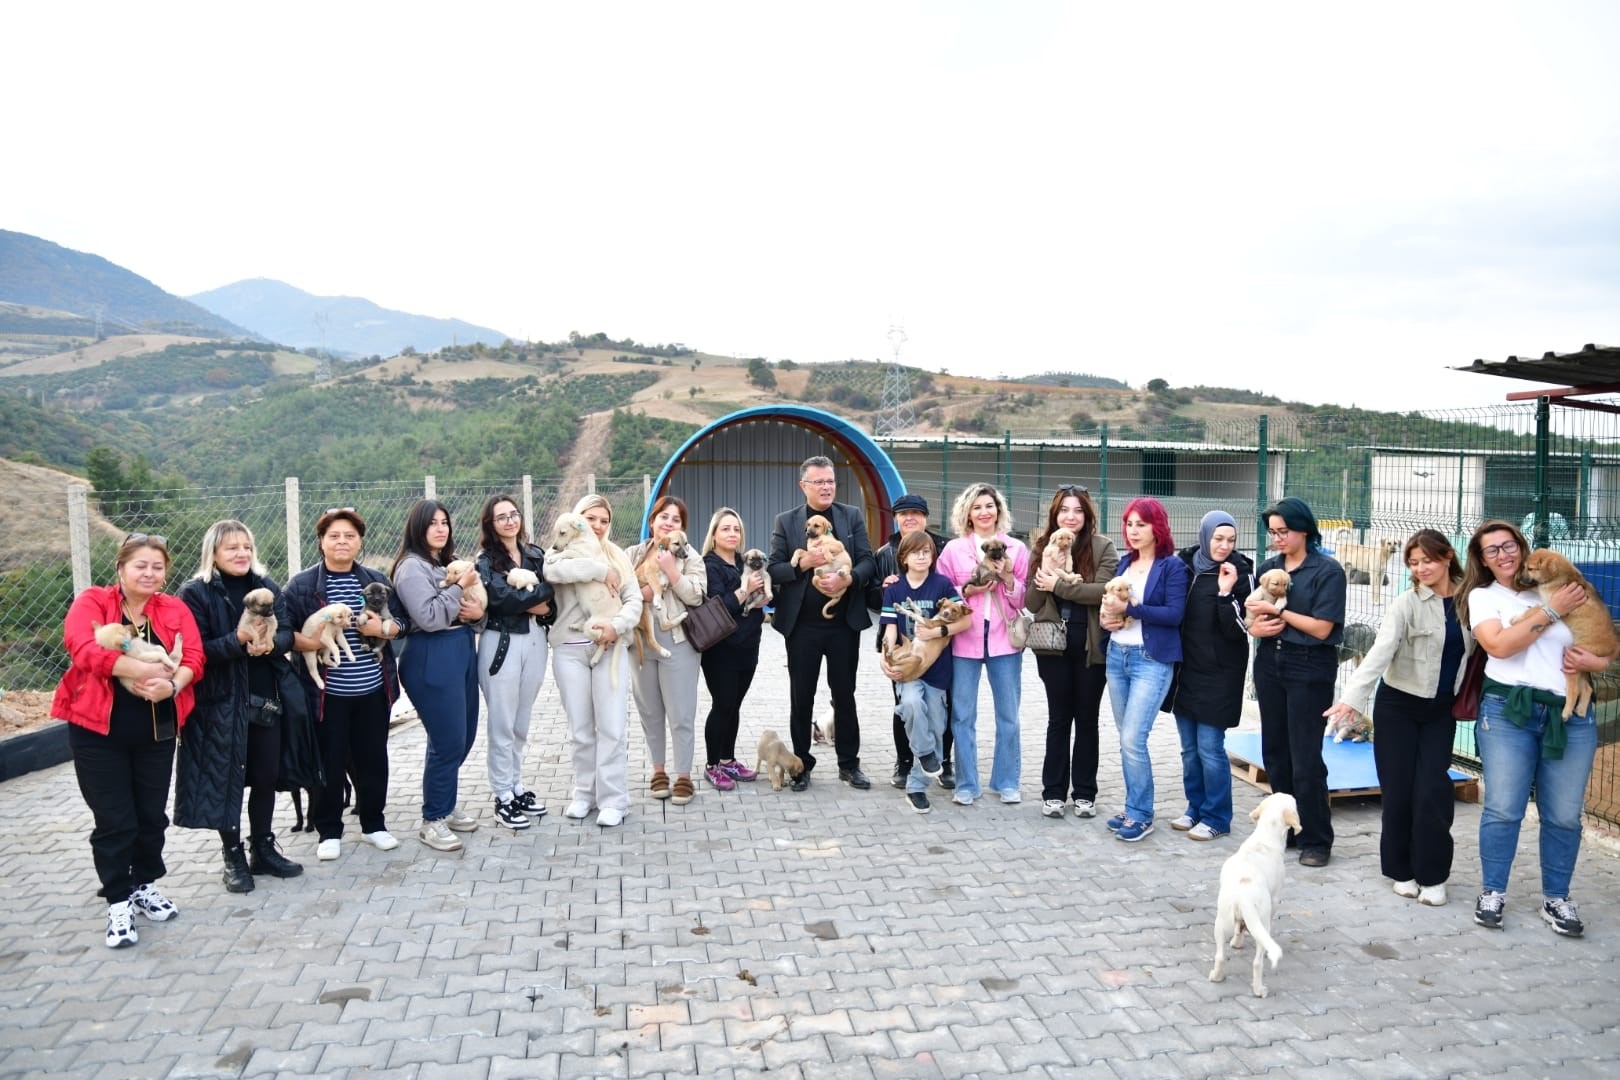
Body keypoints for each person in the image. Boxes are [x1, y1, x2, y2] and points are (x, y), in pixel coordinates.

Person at [52, 532, 203, 948]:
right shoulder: (92, 602)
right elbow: (83, 649)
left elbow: (194, 657)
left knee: (151, 816)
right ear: (120, 568)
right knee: (115, 819)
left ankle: (144, 884)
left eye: (157, 567)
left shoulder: (173, 609)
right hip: (97, 731)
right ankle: (118, 899)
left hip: (156, 730)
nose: (149, 573)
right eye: (140, 566)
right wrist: (142, 671)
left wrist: (172, 687)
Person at [1458, 519, 1607, 936]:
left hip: (1570, 713)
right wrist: (1553, 609)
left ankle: (1557, 898)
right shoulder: (1484, 597)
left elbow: (1600, 640)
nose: (1503, 555)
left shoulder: (1564, 586)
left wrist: (1595, 662)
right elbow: (1500, 646)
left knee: (1564, 815)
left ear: (1522, 548)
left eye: (1509, 546)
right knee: (1504, 808)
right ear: (1483, 560)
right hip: (1509, 711)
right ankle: (1493, 891)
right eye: (1492, 550)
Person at [1325, 529, 1470, 905]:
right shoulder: (1406, 603)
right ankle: (1401, 870)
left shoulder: (1470, 600)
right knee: (1399, 790)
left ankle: (1433, 875)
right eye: (1414, 563)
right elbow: (1380, 652)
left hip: (1441, 710)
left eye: (1428, 560)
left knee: (1433, 791)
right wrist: (1353, 698)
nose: (1421, 569)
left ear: (1448, 557)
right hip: (1398, 707)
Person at [176, 519, 306, 893]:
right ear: (213, 553)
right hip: (219, 703)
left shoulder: (265, 585)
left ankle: (262, 848)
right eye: (232, 547)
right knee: (227, 780)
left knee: (265, 776)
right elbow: (195, 650)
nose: (241, 553)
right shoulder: (195, 593)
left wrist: (272, 644)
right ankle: (232, 856)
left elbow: (287, 632)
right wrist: (236, 641)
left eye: (246, 546)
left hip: (266, 699)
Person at [284, 506, 408, 862]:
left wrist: (384, 628)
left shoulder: (374, 579)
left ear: (359, 542)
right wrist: (311, 641)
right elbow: (284, 632)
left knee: (373, 758)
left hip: (373, 688)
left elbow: (403, 622)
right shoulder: (302, 585)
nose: (342, 542)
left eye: (349, 536)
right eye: (334, 536)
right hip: (327, 693)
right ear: (321, 541)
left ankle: (374, 824)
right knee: (330, 761)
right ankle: (329, 830)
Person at [767, 455, 877, 791]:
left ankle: (849, 764)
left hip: (843, 625)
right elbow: (774, 569)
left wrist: (849, 579)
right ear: (804, 486)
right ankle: (801, 765)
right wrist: (803, 564)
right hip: (802, 627)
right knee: (802, 697)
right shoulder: (786, 522)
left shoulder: (851, 516)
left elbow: (868, 561)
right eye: (819, 482)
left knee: (845, 696)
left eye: (830, 481)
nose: (827, 487)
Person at [1245, 497, 1345, 866]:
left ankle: (1316, 839)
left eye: (1283, 531)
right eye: (1273, 532)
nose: (1277, 538)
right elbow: (1253, 618)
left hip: (1309, 666)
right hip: (1270, 662)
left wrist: (1279, 612)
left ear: (1304, 529)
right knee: (1275, 751)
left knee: (1305, 756)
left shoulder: (1327, 571)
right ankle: (1285, 828)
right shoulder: (1269, 568)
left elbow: (1322, 628)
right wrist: (1255, 627)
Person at [544, 493, 643, 827]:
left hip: (609, 647)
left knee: (612, 726)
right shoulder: (559, 552)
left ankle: (614, 799)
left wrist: (618, 626)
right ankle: (584, 794)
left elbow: (634, 600)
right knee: (581, 729)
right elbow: (553, 573)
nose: (598, 526)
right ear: (577, 520)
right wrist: (600, 570)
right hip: (569, 648)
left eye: (604, 520)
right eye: (590, 518)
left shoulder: (618, 556)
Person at [392, 499, 485, 852]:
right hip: (431, 654)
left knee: (463, 735)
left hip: (461, 648)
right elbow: (429, 617)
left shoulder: (446, 562)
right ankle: (433, 818)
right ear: (418, 527)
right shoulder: (411, 568)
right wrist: (460, 587)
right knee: (448, 740)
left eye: (444, 522)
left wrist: (476, 613)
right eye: (432, 523)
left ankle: (445, 802)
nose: (440, 528)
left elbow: (474, 612)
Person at [1098, 497, 1188, 841]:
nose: (1133, 531)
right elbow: (1111, 606)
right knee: (1125, 738)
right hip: (1117, 656)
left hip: (1151, 659)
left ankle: (1141, 814)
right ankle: (1132, 805)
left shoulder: (1172, 567)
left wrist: (1132, 610)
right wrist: (1108, 620)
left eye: (1141, 524)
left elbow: (1174, 615)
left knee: (1133, 738)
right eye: (1129, 524)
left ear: (1157, 527)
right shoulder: (1125, 563)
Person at [1028, 484, 1118, 820]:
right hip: (1052, 645)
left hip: (1091, 645)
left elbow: (1103, 591)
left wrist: (1059, 585)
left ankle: (1084, 794)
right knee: (1058, 719)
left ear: (1087, 515)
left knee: (1087, 719)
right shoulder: (1042, 546)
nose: (1071, 516)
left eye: (1078, 510)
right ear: (1055, 515)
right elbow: (1032, 602)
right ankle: (1053, 793)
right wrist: (1044, 572)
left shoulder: (1103, 547)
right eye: (1064, 510)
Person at [937, 482, 1031, 806]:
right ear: (967, 513)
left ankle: (1006, 781)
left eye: (989, 506)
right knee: (962, 716)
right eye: (977, 507)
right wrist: (968, 591)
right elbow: (943, 594)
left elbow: (1023, 598)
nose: (984, 512)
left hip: (1005, 640)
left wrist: (1007, 578)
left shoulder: (1016, 548)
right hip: (965, 640)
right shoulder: (953, 550)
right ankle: (966, 784)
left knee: (1009, 715)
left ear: (998, 510)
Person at [1166, 511, 1253, 841]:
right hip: (1186, 671)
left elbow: (1239, 630)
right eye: (1218, 538)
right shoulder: (1184, 565)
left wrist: (1225, 593)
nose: (1224, 546)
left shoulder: (1241, 572)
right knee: (1189, 750)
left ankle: (1217, 817)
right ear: (1205, 536)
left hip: (1220, 674)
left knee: (1210, 749)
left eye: (1231, 540)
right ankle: (1195, 808)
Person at [475, 495, 555, 830]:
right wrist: (539, 597)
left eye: (514, 514)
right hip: (501, 642)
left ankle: (516, 785)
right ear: (490, 524)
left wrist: (534, 601)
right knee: (502, 721)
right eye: (501, 517)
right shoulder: (486, 561)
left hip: (535, 639)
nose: (510, 521)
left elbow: (553, 601)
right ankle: (502, 795)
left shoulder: (535, 554)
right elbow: (501, 600)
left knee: (521, 720)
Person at [878, 531, 970, 813]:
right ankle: (925, 755)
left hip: (937, 670)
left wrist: (938, 631)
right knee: (910, 704)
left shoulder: (942, 584)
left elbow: (965, 621)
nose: (921, 557)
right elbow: (890, 629)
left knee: (937, 727)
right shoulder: (894, 589)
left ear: (933, 556)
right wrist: (885, 656)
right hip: (908, 665)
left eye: (926, 552)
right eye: (915, 552)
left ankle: (916, 785)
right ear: (903, 557)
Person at [869, 493, 954, 790]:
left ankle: (943, 762)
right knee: (905, 705)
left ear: (926, 518)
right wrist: (883, 589)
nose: (910, 518)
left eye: (916, 513)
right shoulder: (883, 553)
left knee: (942, 706)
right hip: (901, 644)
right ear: (895, 518)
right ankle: (904, 761)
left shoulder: (944, 548)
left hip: (939, 645)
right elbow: (871, 598)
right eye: (903, 514)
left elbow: (953, 591)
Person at [629, 496, 709, 805]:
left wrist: (671, 571)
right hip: (640, 641)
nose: (668, 523)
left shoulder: (691, 557)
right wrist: (646, 591)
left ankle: (684, 776)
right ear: (652, 521)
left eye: (676, 519)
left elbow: (696, 597)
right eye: (664, 516)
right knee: (649, 712)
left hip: (678, 643)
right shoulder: (633, 553)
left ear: (682, 529)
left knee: (681, 713)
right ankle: (658, 771)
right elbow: (620, 592)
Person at [699, 507, 764, 791]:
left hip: (748, 646)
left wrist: (764, 597)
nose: (732, 534)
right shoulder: (708, 565)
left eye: (736, 529)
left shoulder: (745, 561)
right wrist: (746, 590)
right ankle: (712, 765)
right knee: (722, 704)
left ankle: (728, 760)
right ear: (714, 534)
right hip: (721, 650)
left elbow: (766, 594)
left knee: (734, 705)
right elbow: (718, 606)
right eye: (725, 528)